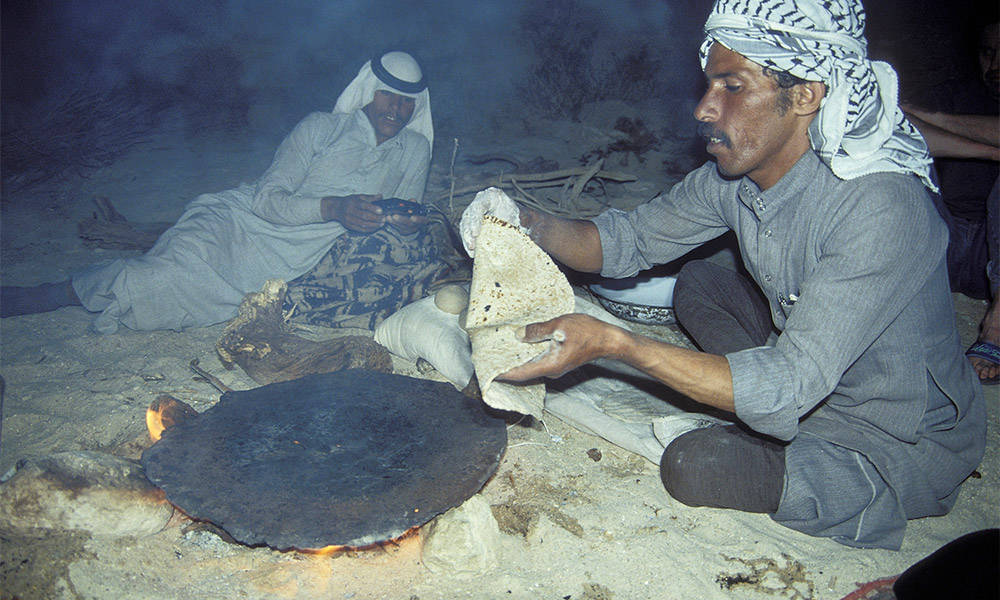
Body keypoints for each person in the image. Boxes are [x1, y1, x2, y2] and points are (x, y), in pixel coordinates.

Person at [460, 0, 985, 550]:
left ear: (805, 95)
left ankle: (789, 439)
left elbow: (791, 380)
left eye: (732, 86)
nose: (704, 109)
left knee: (696, 467)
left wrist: (619, 346)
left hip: (889, 432)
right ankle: (750, 399)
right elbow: (625, 241)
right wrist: (524, 221)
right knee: (703, 284)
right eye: (710, 85)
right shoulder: (737, 176)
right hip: (805, 364)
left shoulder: (882, 207)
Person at [1, 50, 445, 333]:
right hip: (239, 226)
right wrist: (335, 208)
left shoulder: (414, 149)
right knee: (160, 277)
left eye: (409, 102)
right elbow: (266, 200)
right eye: (390, 96)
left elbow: (406, 218)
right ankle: (49, 294)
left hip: (304, 257)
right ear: (369, 91)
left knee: (193, 300)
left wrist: (405, 225)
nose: (398, 109)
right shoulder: (321, 127)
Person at [902, 16, 999, 384]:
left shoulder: (944, 107)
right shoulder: (957, 92)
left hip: (992, 262)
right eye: (988, 53)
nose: (995, 66)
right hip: (946, 240)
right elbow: (903, 126)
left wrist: (937, 119)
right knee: (891, 156)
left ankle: (996, 326)